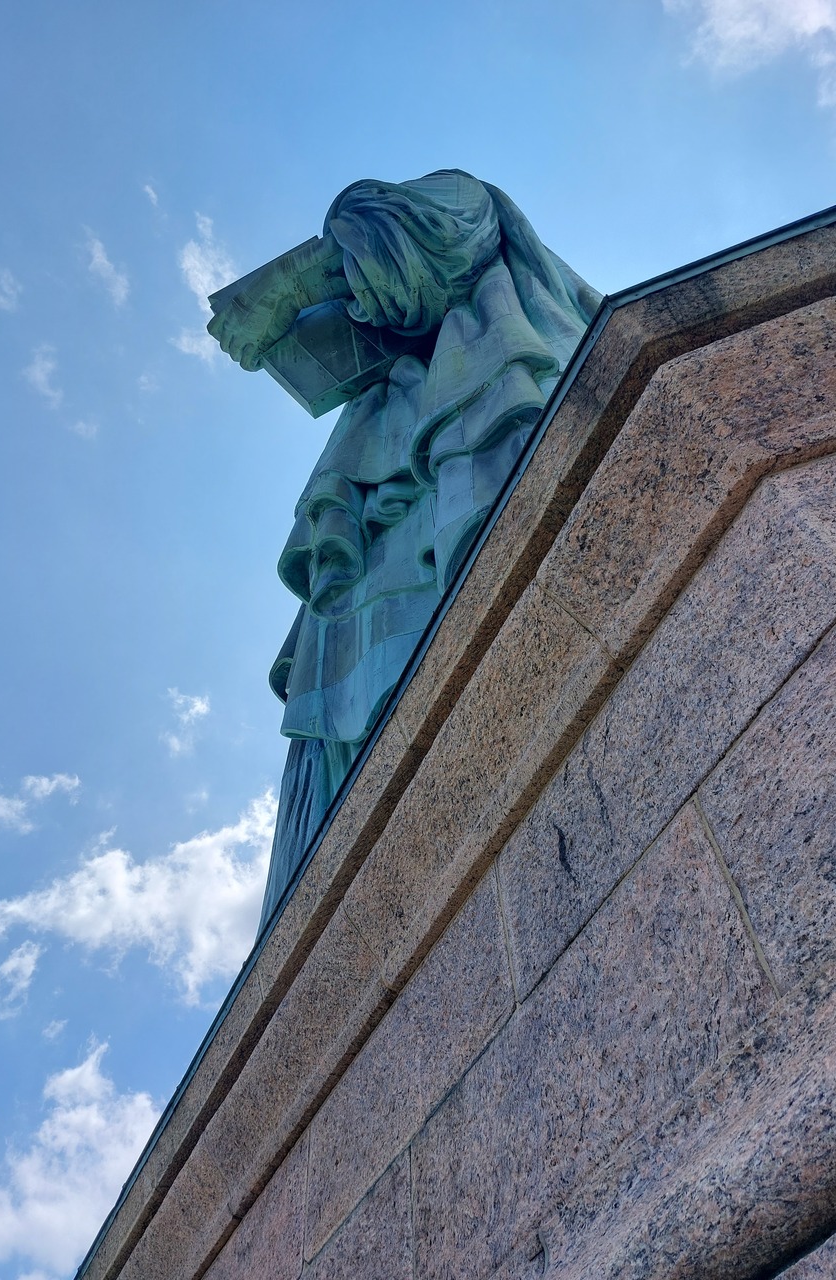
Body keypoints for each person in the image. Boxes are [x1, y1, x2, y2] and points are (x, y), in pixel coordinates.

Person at [209, 170, 601, 935]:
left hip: (485, 448)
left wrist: (294, 282)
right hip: (376, 529)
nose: (356, 304)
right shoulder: (367, 452)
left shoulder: (457, 199)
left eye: (356, 282)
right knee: (344, 748)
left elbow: (447, 237)